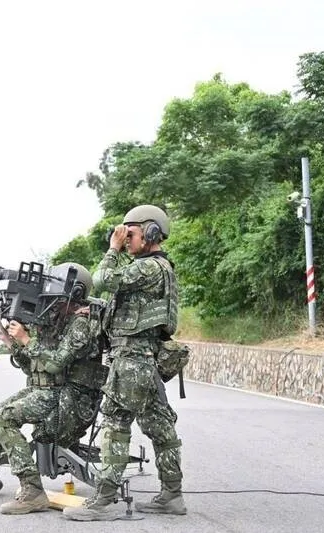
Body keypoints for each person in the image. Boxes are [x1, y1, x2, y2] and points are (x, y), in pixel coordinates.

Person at [63, 204, 187, 521]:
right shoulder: (152, 269)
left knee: (116, 424)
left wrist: (112, 250)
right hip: (143, 358)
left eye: (130, 233)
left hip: (133, 359)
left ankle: (103, 502)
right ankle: (172, 495)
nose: (125, 239)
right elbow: (125, 307)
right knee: (160, 425)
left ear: (152, 232)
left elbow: (105, 278)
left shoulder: (150, 268)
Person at [0, 263, 101, 515]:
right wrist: (8, 339)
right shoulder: (49, 320)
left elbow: (55, 364)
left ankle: (32, 491)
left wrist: (25, 339)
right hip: (42, 389)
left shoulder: (81, 323)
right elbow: (31, 366)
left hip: (67, 398)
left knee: (2, 421)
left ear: (74, 293)